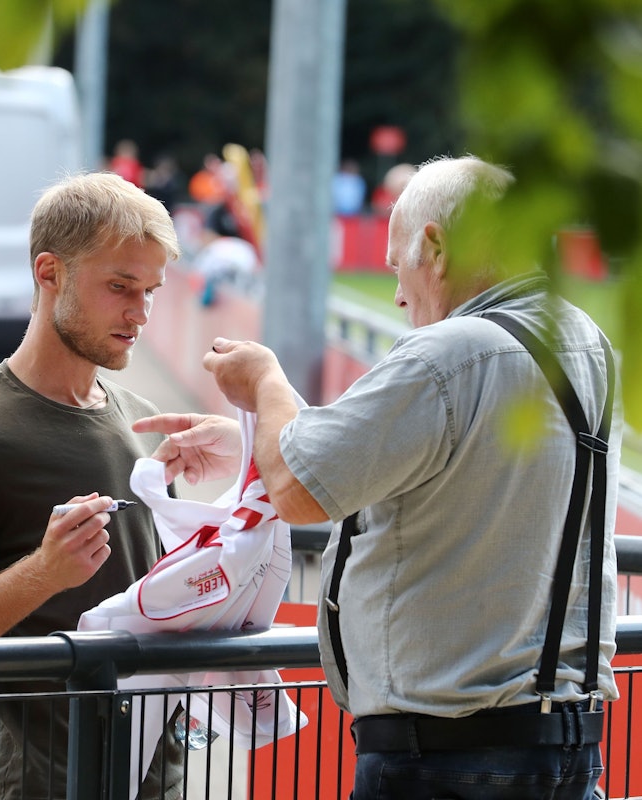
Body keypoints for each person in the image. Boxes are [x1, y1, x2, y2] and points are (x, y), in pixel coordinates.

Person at [134, 155, 621, 799]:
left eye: (398, 267)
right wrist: (249, 442)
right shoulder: (583, 340)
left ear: (436, 249)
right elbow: (447, 463)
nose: (397, 294)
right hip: (565, 745)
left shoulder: (449, 353)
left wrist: (265, 383)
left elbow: (301, 491)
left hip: (443, 755)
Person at [0, 171, 185, 800]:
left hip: (155, 780)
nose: (139, 313)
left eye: (151, 291)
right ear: (49, 272)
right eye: (120, 287)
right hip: (30, 786)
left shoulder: (146, 421)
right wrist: (43, 574)